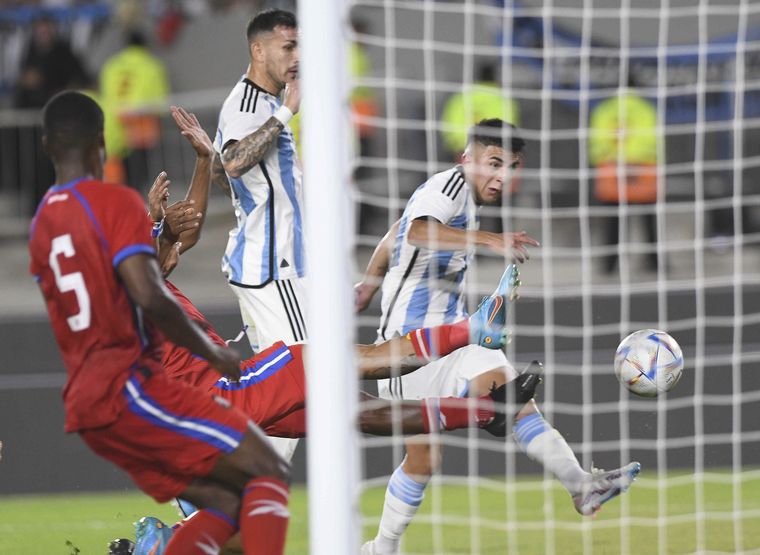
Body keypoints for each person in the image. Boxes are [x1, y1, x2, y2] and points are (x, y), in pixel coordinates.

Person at [356, 119, 641, 555]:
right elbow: (416, 231)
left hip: (455, 339)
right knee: (424, 460)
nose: (501, 176)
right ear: (466, 158)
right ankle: (383, 547)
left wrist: (368, 285)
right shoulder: (449, 187)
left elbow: (396, 232)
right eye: (493, 163)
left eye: (510, 167)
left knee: (514, 396)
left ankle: (581, 486)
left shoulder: (467, 201)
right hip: (407, 347)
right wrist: (488, 239)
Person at [29, 90, 292, 555]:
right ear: (100, 143)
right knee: (260, 485)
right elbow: (149, 282)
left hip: (111, 403)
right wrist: (212, 350)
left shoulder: (51, 226)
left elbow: (176, 239)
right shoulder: (113, 218)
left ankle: (162, 543)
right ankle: (160, 544)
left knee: (232, 524)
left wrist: (200, 166)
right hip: (156, 397)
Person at [214, 8, 302, 462]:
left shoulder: (266, 103)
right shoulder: (250, 104)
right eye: (289, 46)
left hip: (277, 265)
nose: (297, 56)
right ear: (259, 49)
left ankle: (220, 487)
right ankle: (230, 487)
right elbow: (231, 163)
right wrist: (287, 111)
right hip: (273, 268)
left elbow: (221, 171)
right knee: (301, 382)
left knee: (281, 392)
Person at [588, 78, 659, 274]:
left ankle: (609, 265)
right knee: (649, 221)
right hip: (642, 169)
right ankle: (655, 262)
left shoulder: (604, 109)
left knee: (613, 222)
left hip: (612, 169)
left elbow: (596, 142)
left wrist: (615, 159)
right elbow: (653, 141)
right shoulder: (646, 108)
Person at [99, 30, 170, 190]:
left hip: (113, 130)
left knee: (118, 178)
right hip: (141, 130)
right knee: (139, 178)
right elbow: (161, 103)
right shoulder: (152, 66)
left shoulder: (111, 65)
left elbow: (105, 97)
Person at [439, 63, 520, 162]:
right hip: (495, 151)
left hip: (465, 149)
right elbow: (510, 127)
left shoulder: (461, 97)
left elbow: (450, 124)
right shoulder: (504, 99)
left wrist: (456, 145)